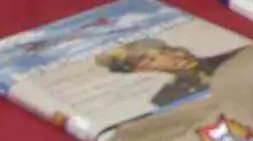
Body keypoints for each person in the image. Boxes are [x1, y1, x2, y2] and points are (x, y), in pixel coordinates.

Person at [96, 39, 236, 108]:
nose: (178, 55)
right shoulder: (166, 97)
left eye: (168, 50)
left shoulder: (236, 59)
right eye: (152, 59)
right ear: (143, 70)